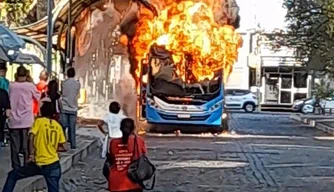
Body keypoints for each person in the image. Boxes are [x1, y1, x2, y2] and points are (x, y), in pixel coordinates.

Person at [2, 102, 67, 192]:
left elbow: (31, 137)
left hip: (38, 162)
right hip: (53, 163)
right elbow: (64, 147)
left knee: (13, 175)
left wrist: (31, 154)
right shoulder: (57, 126)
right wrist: (52, 148)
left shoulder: (39, 122)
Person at [8, 66, 40, 169]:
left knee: (14, 146)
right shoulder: (30, 86)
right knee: (27, 145)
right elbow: (38, 97)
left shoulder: (11, 86)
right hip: (27, 120)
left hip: (13, 120)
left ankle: (16, 166)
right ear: (26, 74)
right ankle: (26, 165)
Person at [107, 118, 147, 192]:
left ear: (120, 128)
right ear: (133, 129)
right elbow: (143, 157)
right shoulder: (139, 142)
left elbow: (111, 159)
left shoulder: (113, 142)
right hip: (134, 182)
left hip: (115, 183)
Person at [60, 67, 81, 149]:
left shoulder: (63, 83)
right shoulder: (77, 84)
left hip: (64, 107)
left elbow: (62, 92)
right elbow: (77, 94)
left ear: (67, 74)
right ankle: (73, 144)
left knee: (63, 126)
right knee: (72, 128)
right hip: (73, 108)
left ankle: (62, 143)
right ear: (74, 74)